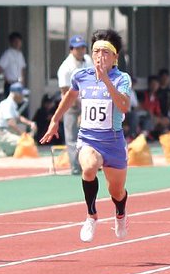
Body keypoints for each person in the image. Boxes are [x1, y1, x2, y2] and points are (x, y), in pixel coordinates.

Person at [40, 29, 133, 242]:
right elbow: (69, 97)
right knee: (89, 167)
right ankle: (91, 216)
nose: (100, 56)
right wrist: (55, 120)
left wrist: (106, 81)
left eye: (105, 52)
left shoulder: (122, 79)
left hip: (113, 141)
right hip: (89, 138)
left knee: (116, 191)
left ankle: (120, 212)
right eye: (96, 51)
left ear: (115, 57)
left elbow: (124, 106)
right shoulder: (81, 76)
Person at [57, 35, 92, 175]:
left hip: (87, 100)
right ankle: (75, 166)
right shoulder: (66, 68)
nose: (81, 50)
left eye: (83, 47)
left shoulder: (88, 60)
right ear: (71, 50)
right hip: (71, 104)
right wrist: (79, 106)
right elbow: (66, 91)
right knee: (72, 136)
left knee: (89, 133)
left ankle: (90, 162)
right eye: (77, 48)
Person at [0, 82, 35, 156]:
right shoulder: (8, 104)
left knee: (22, 144)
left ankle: (4, 148)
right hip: (0, 133)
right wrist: (24, 135)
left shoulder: (11, 103)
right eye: (22, 94)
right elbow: (11, 123)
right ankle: (0, 147)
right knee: (24, 143)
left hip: (3, 131)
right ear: (16, 94)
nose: (23, 96)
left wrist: (30, 123)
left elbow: (18, 117)